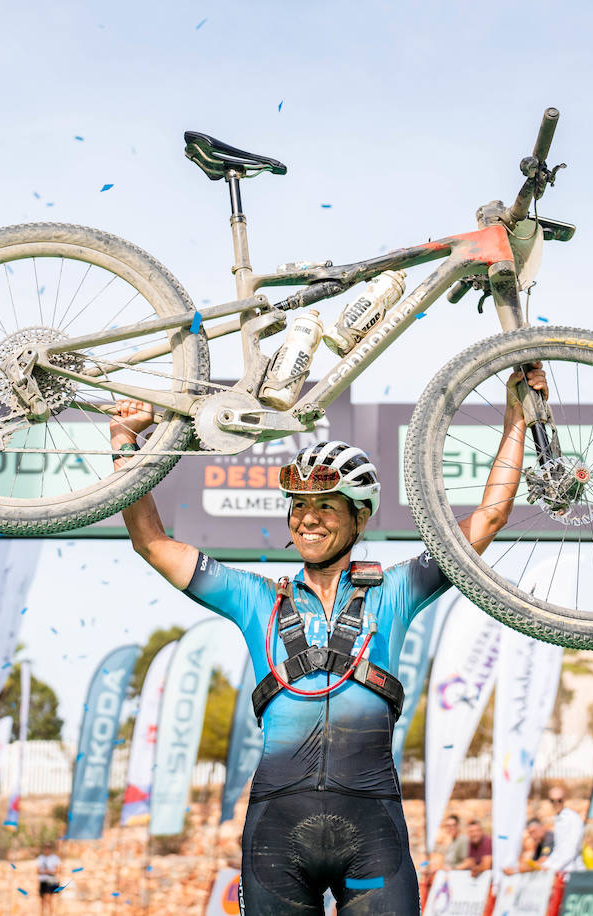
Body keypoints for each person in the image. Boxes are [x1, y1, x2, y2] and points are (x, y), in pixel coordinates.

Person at [109, 366, 547, 914]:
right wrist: (125, 441)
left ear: (359, 516)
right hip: (276, 838)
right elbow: (152, 543)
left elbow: (489, 516)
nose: (307, 520)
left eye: (325, 507)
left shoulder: (395, 591)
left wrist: (517, 416)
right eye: (298, 507)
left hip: (372, 836)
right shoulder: (256, 598)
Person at [542, 784, 585, 872]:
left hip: (573, 871)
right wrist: (545, 865)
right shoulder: (558, 818)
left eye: (559, 800)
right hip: (561, 871)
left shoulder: (573, 818)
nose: (556, 803)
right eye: (552, 800)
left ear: (565, 800)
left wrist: (553, 867)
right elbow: (558, 849)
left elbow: (572, 849)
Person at [422, 813, 469, 879]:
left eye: (453, 825)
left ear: (458, 826)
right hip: (448, 876)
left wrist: (452, 868)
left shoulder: (462, 840)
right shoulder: (452, 841)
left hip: (458, 877)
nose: (450, 828)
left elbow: (468, 862)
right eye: (448, 826)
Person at [36, 842, 61, 912]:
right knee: (42, 900)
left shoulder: (55, 858)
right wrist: (48, 871)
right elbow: (38, 870)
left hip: (51, 879)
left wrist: (47, 871)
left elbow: (58, 869)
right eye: (46, 847)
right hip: (43, 880)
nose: (47, 849)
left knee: (49, 900)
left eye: (49, 847)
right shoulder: (40, 858)